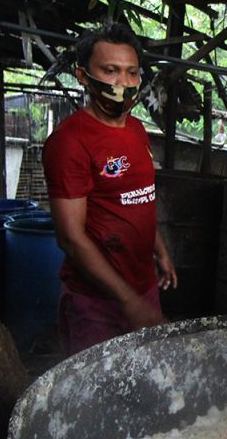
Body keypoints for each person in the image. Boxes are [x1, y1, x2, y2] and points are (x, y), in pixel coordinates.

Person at [42, 24, 177, 354]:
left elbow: (139, 199)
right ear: (83, 75)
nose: (123, 83)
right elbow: (71, 239)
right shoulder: (69, 142)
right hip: (96, 303)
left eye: (132, 72)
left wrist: (159, 252)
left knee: (150, 389)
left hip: (142, 287)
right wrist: (128, 301)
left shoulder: (136, 129)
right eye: (110, 70)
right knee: (100, 398)